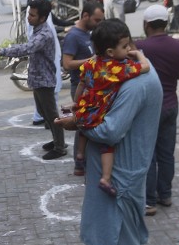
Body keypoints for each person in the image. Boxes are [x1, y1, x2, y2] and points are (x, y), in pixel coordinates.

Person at [54, 40, 163, 245]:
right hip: (126, 171)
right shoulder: (133, 73)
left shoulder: (135, 83)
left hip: (120, 174)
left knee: (119, 240)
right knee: (122, 237)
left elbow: (111, 129)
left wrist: (77, 122)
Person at [63, 19, 151, 197]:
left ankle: (80, 154)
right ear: (110, 51)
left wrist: (76, 103)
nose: (128, 49)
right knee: (108, 145)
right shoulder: (119, 69)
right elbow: (146, 67)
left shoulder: (90, 63)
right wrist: (139, 54)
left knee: (82, 127)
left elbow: (81, 84)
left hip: (85, 107)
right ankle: (106, 177)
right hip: (100, 112)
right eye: (125, 46)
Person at [0, 0, 66, 160]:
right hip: (37, 79)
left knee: (52, 116)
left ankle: (60, 147)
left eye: (32, 15)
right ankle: (56, 141)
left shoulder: (44, 34)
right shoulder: (38, 29)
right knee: (44, 114)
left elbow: (26, 48)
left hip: (45, 80)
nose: (28, 18)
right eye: (29, 14)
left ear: (43, 17)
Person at [137, 4, 179, 215]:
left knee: (148, 154)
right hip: (171, 106)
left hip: (148, 109)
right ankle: (166, 194)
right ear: (166, 23)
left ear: (146, 24)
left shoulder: (139, 48)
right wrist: (169, 75)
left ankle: (149, 200)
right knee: (166, 153)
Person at [62, 2, 106, 175]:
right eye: (96, 20)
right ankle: (79, 165)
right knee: (81, 124)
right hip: (80, 87)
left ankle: (84, 161)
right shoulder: (73, 36)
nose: (98, 24)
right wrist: (93, 61)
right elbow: (67, 64)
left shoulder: (88, 33)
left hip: (91, 88)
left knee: (87, 124)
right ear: (85, 16)